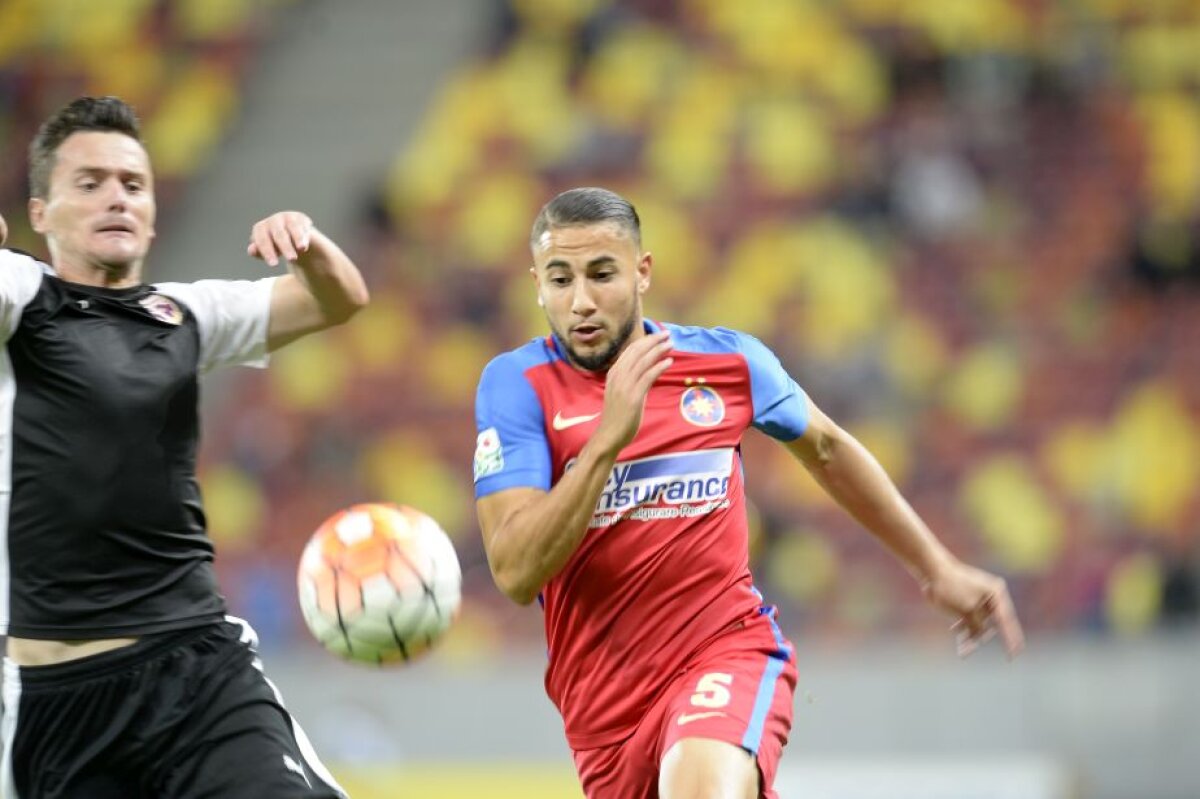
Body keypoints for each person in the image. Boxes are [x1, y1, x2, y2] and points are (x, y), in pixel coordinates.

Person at [472, 187, 1025, 799]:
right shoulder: (516, 386)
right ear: (537, 285)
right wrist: (607, 440)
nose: (581, 301)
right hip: (601, 714)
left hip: (725, 651)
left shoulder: (728, 363)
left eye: (602, 274)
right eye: (560, 279)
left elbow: (827, 447)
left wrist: (935, 567)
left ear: (642, 272)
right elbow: (515, 571)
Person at [0, 96, 368, 798]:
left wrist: (308, 245)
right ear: (40, 212)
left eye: (133, 185)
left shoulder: (184, 314)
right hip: (58, 703)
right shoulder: (22, 299)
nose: (117, 198)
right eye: (90, 182)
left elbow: (337, 299)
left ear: (152, 214)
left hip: (196, 669)